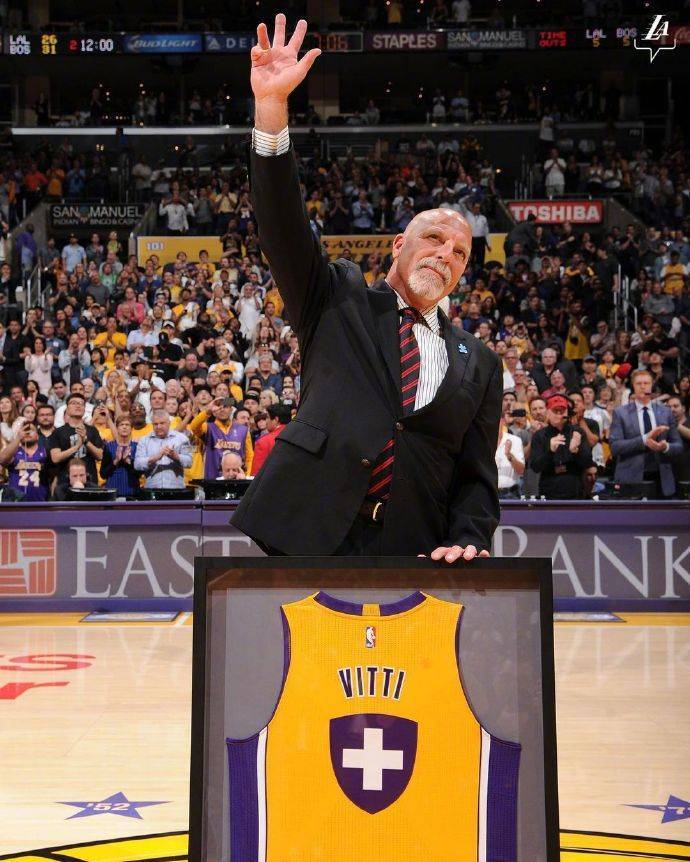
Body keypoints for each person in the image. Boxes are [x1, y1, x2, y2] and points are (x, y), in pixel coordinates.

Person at [232, 16, 502, 561]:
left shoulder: (481, 363)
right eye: (434, 239)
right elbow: (282, 226)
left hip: (415, 549)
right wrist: (272, 109)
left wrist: (468, 539)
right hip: (308, 534)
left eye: (459, 254)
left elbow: (475, 475)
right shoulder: (337, 296)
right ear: (399, 244)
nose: (445, 256)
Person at [609, 369, 683, 498]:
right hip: (631, 477)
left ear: (652, 385)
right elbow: (615, 447)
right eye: (639, 383)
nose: (643, 386)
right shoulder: (620, 413)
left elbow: (678, 446)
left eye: (646, 383)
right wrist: (644, 440)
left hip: (662, 478)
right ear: (633, 386)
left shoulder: (666, 412)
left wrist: (665, 447)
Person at [528, 394, 592, 499]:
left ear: (567, 412)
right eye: (555, 411)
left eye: (562, 411)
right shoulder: (540, 435)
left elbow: (588, 463)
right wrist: (550, 452)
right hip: (549, 492)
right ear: (548, 412)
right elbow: (535, 467)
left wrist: (576, 451)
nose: (559, 415)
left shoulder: (577, 432)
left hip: (575, 492)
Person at [188, 396, 253, 480]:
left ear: (231, 409)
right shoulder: (207, 427)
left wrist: (246, 475)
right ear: (214, 412)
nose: (221, 409)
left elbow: (250, 456)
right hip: (212, 479)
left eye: (225, 406)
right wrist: (208, 411)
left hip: (237, 479)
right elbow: (194, 426)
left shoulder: (243, 430)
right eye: (218, 406)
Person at [49, 392, 103, 484]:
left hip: (89, 481)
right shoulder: (58, 432)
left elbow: (100, 456)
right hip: (65, 481)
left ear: (84, 409)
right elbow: (55, 458)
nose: (78, 406)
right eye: (73, 403)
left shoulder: (92, 430)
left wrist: (86, 440)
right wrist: (76, 447)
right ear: (67, 409)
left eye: (81, 404)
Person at [134, 410, 192, 489]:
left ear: (169, 423)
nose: (159, 427)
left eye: (162, 423)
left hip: (176, 489)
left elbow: (189, 462)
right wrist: (155, 458)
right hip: (152, 489)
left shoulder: (182, 438)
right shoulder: (144, 440)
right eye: (155, 424)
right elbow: (137, 464)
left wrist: (176, 456)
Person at [0, 419, 49, 501]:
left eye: (31, 430)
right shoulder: (14, 452)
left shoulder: (45, 452)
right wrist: (18, 438)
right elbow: (2, 459)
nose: (27, 432)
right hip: (15, 502)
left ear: (37, 436)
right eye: (25, 430)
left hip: (40, 502)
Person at [100, 415, 140, 497]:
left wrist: (128, 461)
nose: (124, 427)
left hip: (132, 493)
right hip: (112, 493)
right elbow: (103, 474)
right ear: (117, 428)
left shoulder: (137, 447)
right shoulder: (109, 446)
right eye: (121, 425)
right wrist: (116, 461)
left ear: (131, 428)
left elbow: (139, 474)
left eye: (127, 425)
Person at [250, 402, 291, 476]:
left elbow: (256, 475)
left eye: (267, 418)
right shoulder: (299, 437)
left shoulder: (263, 442)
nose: (266, 421)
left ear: (276, 419)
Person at [495, 417, 525, 499]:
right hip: (488, 493)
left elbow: (521, 470)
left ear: (502, 421)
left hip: (510, 494)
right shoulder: (484, 441)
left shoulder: (515, 440)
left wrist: (509, 455)